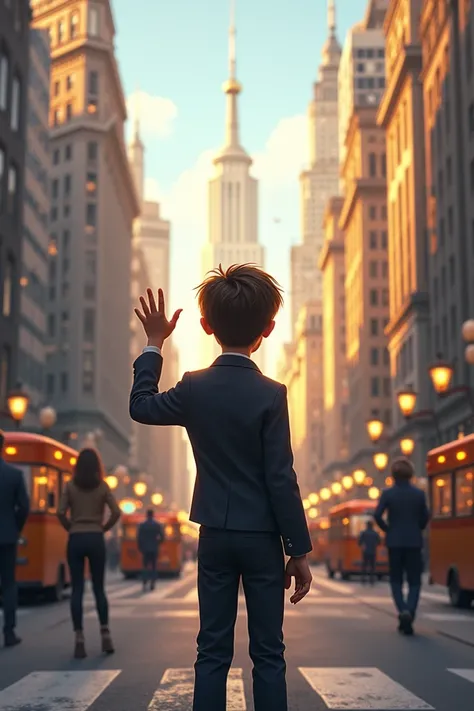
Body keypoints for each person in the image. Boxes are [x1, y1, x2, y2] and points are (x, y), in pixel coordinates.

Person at [130, 265, 312, 711]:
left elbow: (140, 406)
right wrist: (299, 550)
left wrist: (155, 343)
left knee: (211, 650)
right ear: (268, 330)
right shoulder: (272, 393)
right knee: (269, 653)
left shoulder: (194, 387)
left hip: (213, 534)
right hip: (263, 539)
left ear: (207, 326)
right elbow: (280, 477)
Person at [58, 448, 121, 658]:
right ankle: (106, 635)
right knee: (98, 588)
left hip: (76, 538)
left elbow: (59, 511)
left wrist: (71, 527)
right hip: (95, 538)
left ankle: (79, 638)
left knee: (77, 589)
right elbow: (117, 511)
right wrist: (103, 527)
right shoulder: (102, 486)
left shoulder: (70, 486)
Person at [374, 457, 430, 635]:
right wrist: (418, 527)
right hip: (414, 541)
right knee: (414, 580)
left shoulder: (388, 494)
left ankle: (402, 609)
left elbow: (377, 515)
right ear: (411, 474)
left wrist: (388, 530)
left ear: (393, 475)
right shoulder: (419, 494)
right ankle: (410, 610)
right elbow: (425, 515)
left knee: (396, 579)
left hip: (394, 542)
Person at [0, 429, 30, 648]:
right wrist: (15, 527)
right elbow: (24, 507)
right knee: (9, 583)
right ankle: (9, 632)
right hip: (7, 536)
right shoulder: (14, 475)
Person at [138, 509, 164, 591]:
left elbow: (139, 538)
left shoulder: (142, 525)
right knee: (154, 566)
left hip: (145, 549)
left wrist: (141, 547)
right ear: (153, 515)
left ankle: (145, 582)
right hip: (154, 548)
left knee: (145, 566)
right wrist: (157, 543)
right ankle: (152, 582)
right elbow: (162, 537)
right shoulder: (157, 525)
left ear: (147, 515)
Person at [358, 520, 380, 585]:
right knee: (372, 566)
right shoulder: (375, 533)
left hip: (365, 551)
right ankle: (371, 580)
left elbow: (359, 542)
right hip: (373, 551)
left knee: (364, 565)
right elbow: (379, 542)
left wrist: (363, 545)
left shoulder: (363, 533)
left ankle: (363, 579)